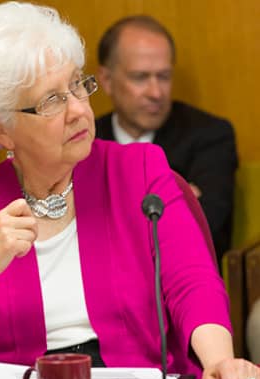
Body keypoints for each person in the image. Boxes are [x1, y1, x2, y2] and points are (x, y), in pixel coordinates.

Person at [0, 2, 258, 379]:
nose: (79, 110)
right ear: (0, 129)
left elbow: (191, 282)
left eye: (77, 85)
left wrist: (219, 361)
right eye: (51, 101)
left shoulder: (139, 170)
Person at [95, 15, 238, 267]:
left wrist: (108, 215)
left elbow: (207, 228)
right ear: (107, 80)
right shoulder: (85, 140)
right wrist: (175, 204)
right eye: (140, 77)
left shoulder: (210, 135)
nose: (156, 92)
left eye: (163, 76)